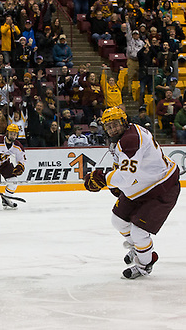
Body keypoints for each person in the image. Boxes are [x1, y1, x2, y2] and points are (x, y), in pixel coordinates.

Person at [84, 107, 180, 279]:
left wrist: (103, 179)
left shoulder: (130, 139)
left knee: (139, 232)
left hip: (162, 187)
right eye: (108, 126)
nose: (112, 129)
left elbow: (127, 177)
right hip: (142, 184)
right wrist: (115, 183)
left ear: (124, 122)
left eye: (115, 125)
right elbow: (125, 169)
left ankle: (145, 264)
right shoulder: (123, 136)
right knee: (118, 221)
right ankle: (139, 248)